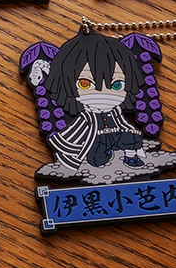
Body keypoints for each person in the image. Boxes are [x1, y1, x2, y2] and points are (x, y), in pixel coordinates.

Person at [38, 28, 150, 172]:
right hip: (97, 142)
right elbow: (73, 132)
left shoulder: (115, 111)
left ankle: (130, 157)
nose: (102, 93)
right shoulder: (87, 116)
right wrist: (68, 150)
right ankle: (106, 156)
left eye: (116, 85)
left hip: (116, 136)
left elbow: (123, 123)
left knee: (133, 138)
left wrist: (133, 132)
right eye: (85, 84)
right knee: (98, 160)